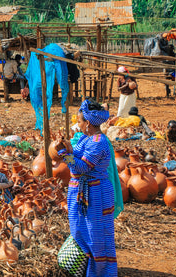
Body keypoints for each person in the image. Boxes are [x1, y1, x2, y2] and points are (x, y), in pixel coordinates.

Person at [55, 99, 117, 276]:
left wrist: (65, 155)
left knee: (95, 235)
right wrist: (66, 147)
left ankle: (98, 272)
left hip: (95, 193)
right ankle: (83, 268)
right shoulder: (85, 138)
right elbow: (76, 156)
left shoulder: (99, 142)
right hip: (82, 192)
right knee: (80, 230)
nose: (78, 124)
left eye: (79, 120)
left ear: (88, 123)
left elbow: (82, 167)